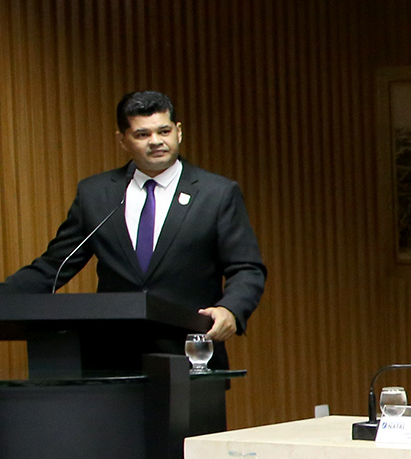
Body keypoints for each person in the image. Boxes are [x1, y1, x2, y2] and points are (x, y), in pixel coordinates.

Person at [2, 90, 265, 368]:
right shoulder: (96, 194)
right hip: (112, 358)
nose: (156, 141)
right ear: (123, 140)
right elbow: (54, 265)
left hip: (190, 354)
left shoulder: (217, 193)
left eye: (164, 131)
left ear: (178, 132)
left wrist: (230, 309)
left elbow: (247, 268)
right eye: (142, 134)